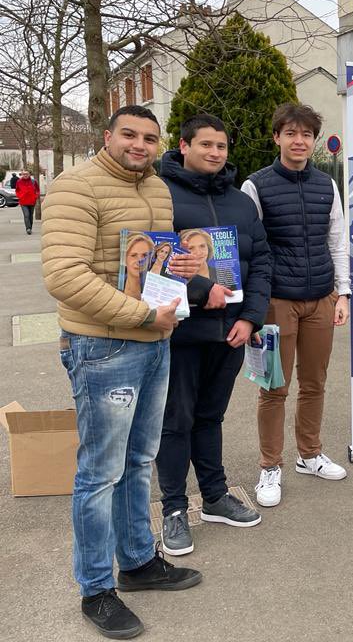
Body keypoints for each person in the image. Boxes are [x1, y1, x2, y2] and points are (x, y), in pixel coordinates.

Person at [41, 105, 202, 640]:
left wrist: (176, 271)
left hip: (156, 341)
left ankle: (136, 563)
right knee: (99, 473)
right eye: (129, 135)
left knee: (139, 462)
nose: (139, 145)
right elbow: (64, 275)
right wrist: (139, 313)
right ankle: (95, 589)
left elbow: (153, 261)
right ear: (107, 136)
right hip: (103, 347)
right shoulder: (75, 186)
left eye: (150, 138)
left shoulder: (156, 188)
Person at [155, 113, 272, 556]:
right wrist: (204, 291)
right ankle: (172, 508)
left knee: (211, 417)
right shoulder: (160, 194)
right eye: (205, 145)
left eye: (221, 146)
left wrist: (252, 318)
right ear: (183, 146)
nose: (215, 153)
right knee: (176, 421)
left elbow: (261, 260)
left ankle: (215, 497)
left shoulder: (241, 202)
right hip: (183, 331)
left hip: (231, 332)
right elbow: (154, 258)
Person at [241, 103, 351, 507]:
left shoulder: (327, 185)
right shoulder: (256, 186)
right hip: (276, 301)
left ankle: (310, 454)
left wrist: (344, 294)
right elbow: (249, 249)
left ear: (314, 140)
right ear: (277, 138)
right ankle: (270, 465)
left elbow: (337, 240)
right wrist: (254, 304)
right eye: (291, 133)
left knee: (315, 383)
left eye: (306, 134)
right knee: (274, 386)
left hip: (321, 297)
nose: (299, 141)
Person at [122, 232, 156, 300]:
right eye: (133, 255)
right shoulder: (115, 285)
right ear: (124, 257)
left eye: (144, 255)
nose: (140, 260)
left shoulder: (154, 284)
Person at [15, 170, 39, 234]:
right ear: (22, 175)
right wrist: (20, 196)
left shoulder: (33, 181)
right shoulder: (19, 182)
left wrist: (35, 196)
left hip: (32, 201)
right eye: (24, 174)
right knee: (26, 215)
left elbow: (37, 190)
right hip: (23, 201)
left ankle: (30, 227)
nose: (25, 175)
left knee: (30, 215)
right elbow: (17, 190)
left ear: (29, 174)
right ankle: (28, 229)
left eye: (26, 174)